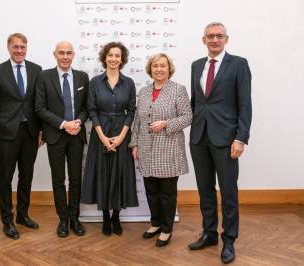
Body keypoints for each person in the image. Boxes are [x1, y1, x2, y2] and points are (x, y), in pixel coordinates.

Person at [187, 22, 252, 264]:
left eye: (219, 36)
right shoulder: (196, 66)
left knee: (228, 191)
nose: (215, 40)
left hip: (226, 139)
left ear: (226, 39)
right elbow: (197, 102)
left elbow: (245, 104)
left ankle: (230, 240)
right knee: (205, 190)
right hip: (199, 137)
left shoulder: (238, 64)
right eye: (210, 36)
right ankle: (210, 233)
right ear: (203, 40)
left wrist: (240, 138)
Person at [130, 53, 192, 247]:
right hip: (146, 148)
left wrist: (166, 123)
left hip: (168, 149)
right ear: (150, 69)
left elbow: (188, 117)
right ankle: (155, 223)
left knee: (167, 194)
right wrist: (135, 144)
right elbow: (138, 120)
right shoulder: (144, 91)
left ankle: (166, 229)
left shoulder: (178, 90)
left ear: (169, 68)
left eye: (162, 66)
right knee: (151, 192)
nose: (159, 69)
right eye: (155, 66)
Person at [0, 33, 43, 240]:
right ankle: (7, 220)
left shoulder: (36, 70)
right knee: (6, 177)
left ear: (26, 48)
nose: (19, 50)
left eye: (23, 47)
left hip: (30, 132)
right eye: (16, 47)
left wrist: (40, 131)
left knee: (26, 176)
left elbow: (40, 104)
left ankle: (22, 215)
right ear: (8, 48)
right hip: (6, 133)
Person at [81, 42, 138, 236]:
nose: (114, 59)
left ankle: (116, 216)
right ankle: (105, 215)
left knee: (119, 173)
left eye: (117, 56)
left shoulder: (128, 83)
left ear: (122, 60)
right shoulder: (95, 82)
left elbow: (131, 111)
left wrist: (122, 137)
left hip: (121, 131)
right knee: (103, 174)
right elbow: (92, 110)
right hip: (101, 133)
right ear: (104, 57)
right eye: (110, 55)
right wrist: (103, 137)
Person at [36, 41, 89, 237]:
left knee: (76, 179)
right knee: (58, 180)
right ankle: (63, 219)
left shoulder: (83, 77)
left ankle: (75, 217)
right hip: (55, 136)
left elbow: (86, 108)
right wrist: (63, 124)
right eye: (61, 53)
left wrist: (78, 122)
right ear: (55, 54)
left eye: (68, 53)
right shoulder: (44, 77)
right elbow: (40, 108)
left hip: (76, 135)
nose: (65, 56)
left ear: (73, 55)